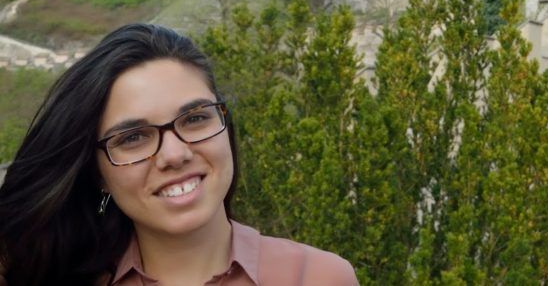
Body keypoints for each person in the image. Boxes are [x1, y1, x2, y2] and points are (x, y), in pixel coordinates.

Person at [0, 23, 358, 285]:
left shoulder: (318, 277)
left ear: (225, 125)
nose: (175, 154)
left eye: (195, 118)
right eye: (133, 137)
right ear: (98, 174)